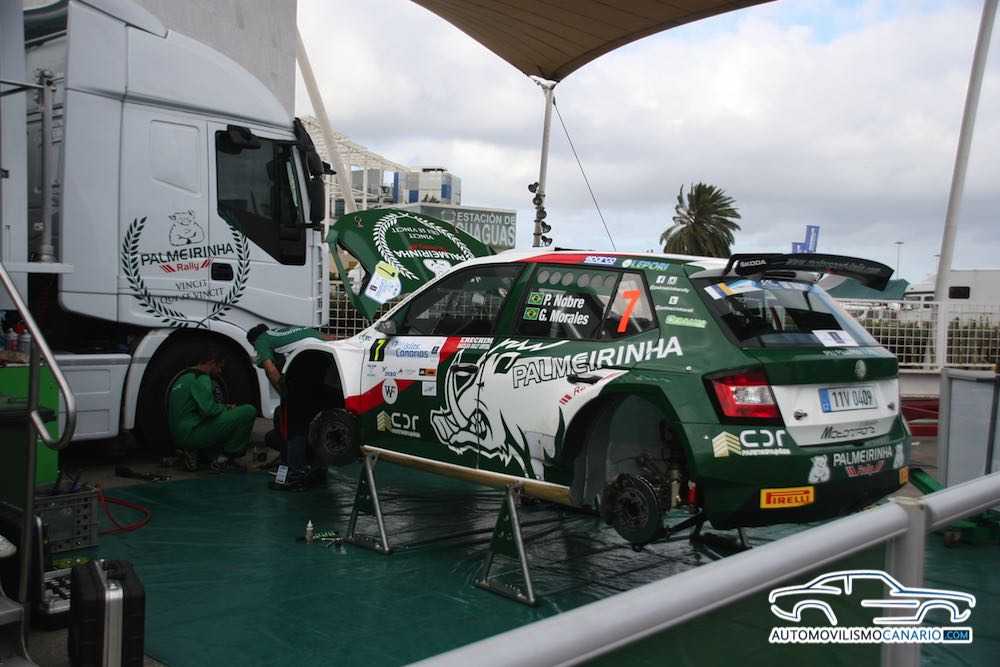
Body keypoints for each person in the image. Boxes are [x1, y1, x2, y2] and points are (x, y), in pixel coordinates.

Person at [167, 349, 257, 472]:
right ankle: (225, 459)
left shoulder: (183, 377)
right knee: (248, 411)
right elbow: (208, 410)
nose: (220, 371)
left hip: (178, 435)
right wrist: (226, 408)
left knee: (217, 423)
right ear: (211, 362)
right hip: (191, 434)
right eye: (219, 367)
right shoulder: (202, 378)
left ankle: (196, 453)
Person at [246, 325, 332, 392]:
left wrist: (284, 395)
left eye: (254, 347)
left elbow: (271, 371)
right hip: (327, 351)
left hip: (312, 357)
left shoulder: (261, 340)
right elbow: (329, 337)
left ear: (254, 342)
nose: (255, 350)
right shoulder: (283, 333)